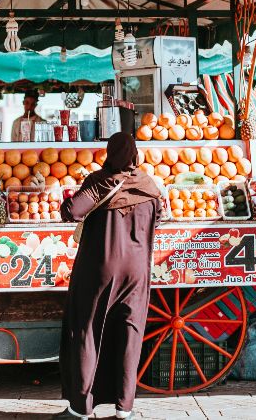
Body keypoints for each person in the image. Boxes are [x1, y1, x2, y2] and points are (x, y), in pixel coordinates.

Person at [54, 132, 162, 420]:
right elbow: (159, 216)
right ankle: (124, 408)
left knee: (87, 329)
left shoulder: (101, 180)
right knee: (130, 332)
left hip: (100, 267)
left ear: (109, 152)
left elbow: (72, 211)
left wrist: (66, 199)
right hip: (138, 270)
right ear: (135, 154)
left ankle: (80, 408)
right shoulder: (150, 185)